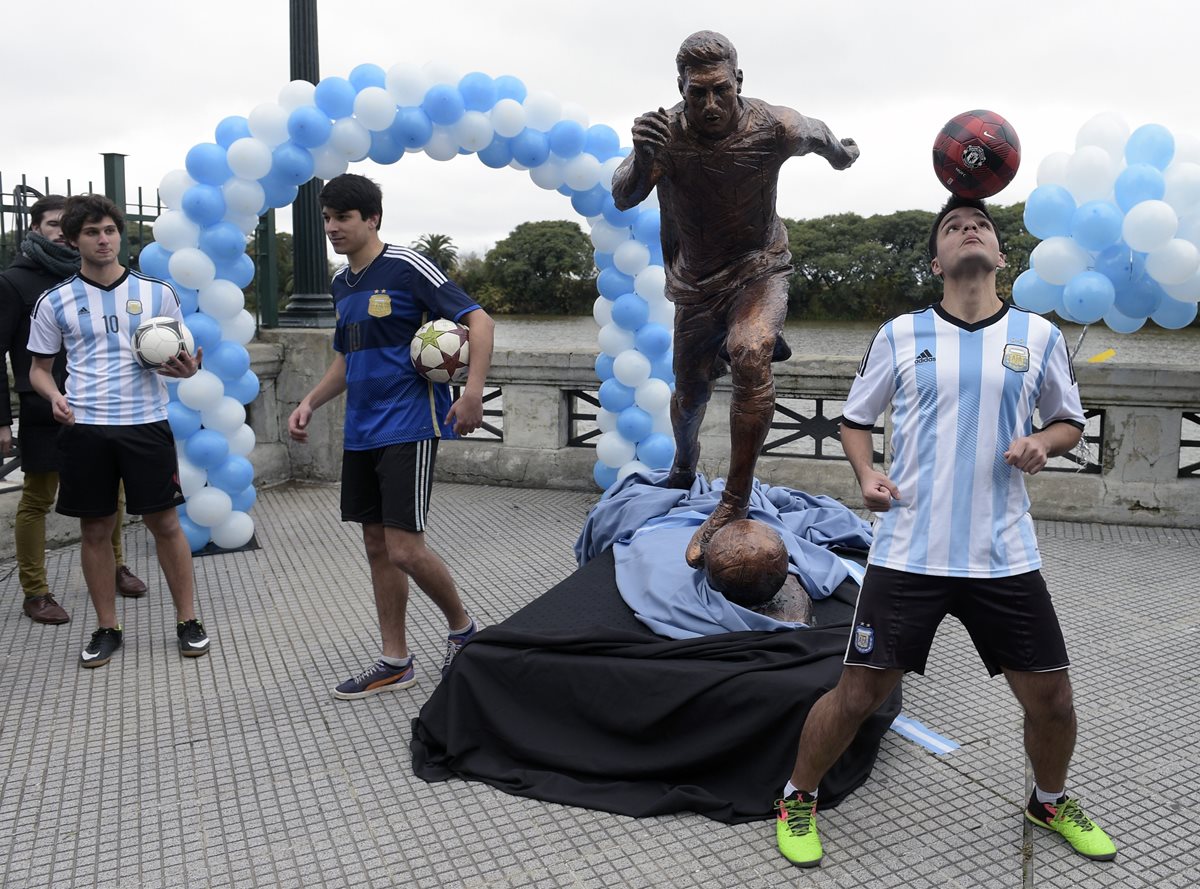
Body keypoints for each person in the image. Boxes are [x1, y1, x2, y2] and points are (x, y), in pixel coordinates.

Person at [773, 196, 1117, 867]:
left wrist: (1044, 442)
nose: (969, 229)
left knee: (1053, 697)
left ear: (1002, 256)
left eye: (981, 224)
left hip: (1003, 552)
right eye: (954, 226)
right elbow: (855, 421)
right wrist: (867, 471)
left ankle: (1048, 800)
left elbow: (1069, 420)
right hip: (909, 550)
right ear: (936, 260)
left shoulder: (1038, 336)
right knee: (858, 692)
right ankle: (796, 795)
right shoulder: (900, 333)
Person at [611, 30, 859, 569]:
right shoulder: (666, 137)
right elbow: (624, 194)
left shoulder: (775, 127)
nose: (709, 104)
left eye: (720, 90)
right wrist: (640, 156)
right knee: (689, 396)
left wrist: (842, 155)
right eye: (696, 93)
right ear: (679, 89)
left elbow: (821, 136)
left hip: (759, 268)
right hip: (697, 284)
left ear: (738, 81)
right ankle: (684, 463)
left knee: (751, 352)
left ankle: (733, 500)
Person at [287, 173, 495, 700]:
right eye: (327, 219)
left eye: (343, 218)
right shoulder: (341, 285)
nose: (332, 228)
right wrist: (310, 402)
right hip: (361, 431)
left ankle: (465, 631)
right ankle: (395, 660)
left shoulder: (405, 267)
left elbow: (480, 320)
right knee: (377, 546)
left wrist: (472, 393)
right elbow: (346, 357)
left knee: (404, 548)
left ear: (372, 218)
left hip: (409, 424)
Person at [26, 194, 209, 667]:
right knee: (95, 529)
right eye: (91, 232)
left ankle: (188, 620)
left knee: (165, 524)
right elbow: (39, 370)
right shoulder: (55, 299)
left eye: (109, 230)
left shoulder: (158, 293)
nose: (103, 239)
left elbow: (181, 359)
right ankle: (107, 627)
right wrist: (54, 396)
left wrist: (186, 372)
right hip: (85, 427)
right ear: (72, 239)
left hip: (145, 424)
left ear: (119, 233)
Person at [0, 196, 148, 624]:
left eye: (69, 225)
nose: (62, 232)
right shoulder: (15, 282)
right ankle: (36, 590)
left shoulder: (99, 279)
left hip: (100, 406)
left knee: (111, 494)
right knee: (37, 499)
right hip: (42, 407)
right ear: (35, 229)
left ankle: (116, 566)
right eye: (52, 224)